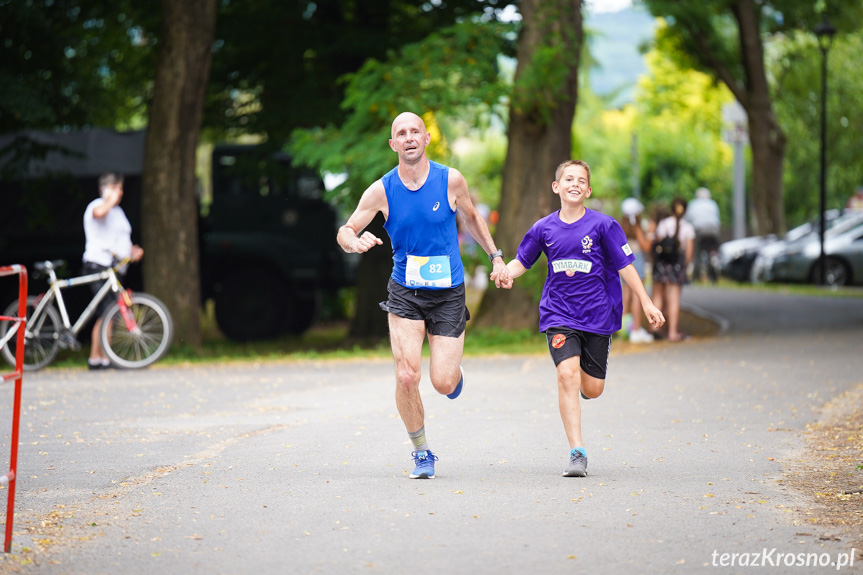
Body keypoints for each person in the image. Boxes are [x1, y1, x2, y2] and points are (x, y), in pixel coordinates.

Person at [336, 112, 510, 479]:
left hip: (448, 292)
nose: (409, 137)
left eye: (415, 131)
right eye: (402, 133)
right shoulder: (382, 190)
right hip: (405, 292)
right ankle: (421, 452)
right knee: (405, 375)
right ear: (393, 144)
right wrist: (353, 241)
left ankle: (453, 374)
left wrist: (495, 257)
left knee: (442, 382)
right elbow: (347, 228)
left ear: (427, 138)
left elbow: (474, 220)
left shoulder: (451, 180)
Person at [500, 160, 665, 477]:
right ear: (556, 187)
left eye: (581, 180)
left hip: (598, 315)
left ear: (588, 190)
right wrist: (506, 273)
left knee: (592, 389)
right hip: (558, 313)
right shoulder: (543, 228)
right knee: (567, 375)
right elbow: (522, 260)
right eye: (568, 179)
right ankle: (577, 452)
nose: (574, 184)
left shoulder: (604, 226)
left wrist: (645, 302)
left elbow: (626, 267)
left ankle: (583, 387)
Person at [82, 173, 144, 370]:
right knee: (108, 310)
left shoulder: (118, 212)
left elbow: (121, 238)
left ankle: (99, 358)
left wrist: (133, 251)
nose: (121, 192)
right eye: (116, 188)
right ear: (106, 189)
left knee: (110, 313)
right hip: (98, 265)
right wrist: (109, 199)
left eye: (121, 188)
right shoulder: (97, 205)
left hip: (115, 268)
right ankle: (101, 358)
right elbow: (99, 214)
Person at [651, 197, 695, 343]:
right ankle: (672, 332)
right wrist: (684, 266)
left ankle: (654, 329)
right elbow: (689, 252)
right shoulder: (688, 227)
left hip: (662, 264)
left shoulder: (663, 224)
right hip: (677, 264)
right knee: (673, 299)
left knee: (658, 295)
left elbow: (657, 243)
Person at [619, 197, 654, 344]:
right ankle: (636, 330)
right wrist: (651, 233)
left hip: (623, 262)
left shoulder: (620, 228)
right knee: (637, 296)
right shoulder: (637, 228)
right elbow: (646, 246)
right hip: (636, 261)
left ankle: (623, 330)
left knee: (625, 296)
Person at [684, 187, 720, 283]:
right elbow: (717, 218)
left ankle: (696, 275)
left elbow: (687, 219)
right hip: (713, 231)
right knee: (712, 251)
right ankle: (713, 266)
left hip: (699, 230)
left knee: (696, 253)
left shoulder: (693, 204)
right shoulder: (713, 204)